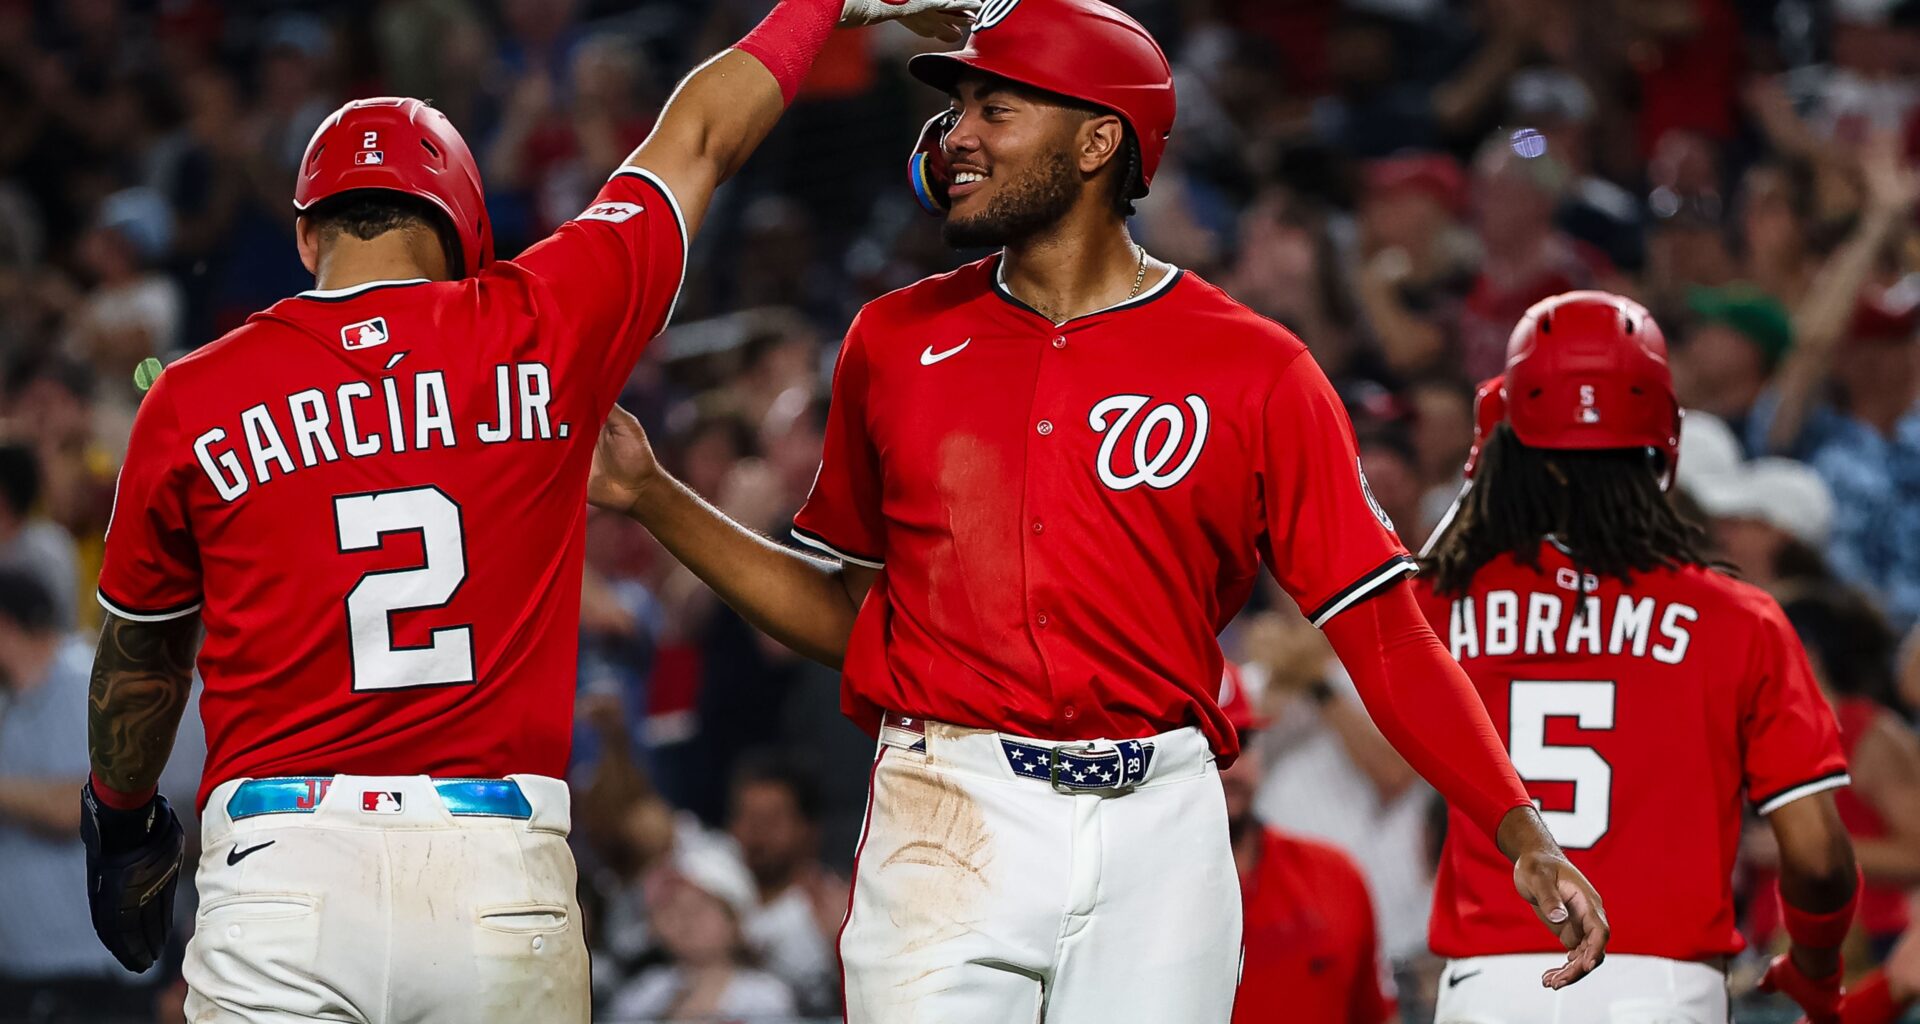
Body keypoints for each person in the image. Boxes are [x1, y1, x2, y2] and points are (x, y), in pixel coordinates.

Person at [586, 2, 1608, 1019]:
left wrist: (1517, 825)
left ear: (1097, 139)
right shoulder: (890, 341)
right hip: (949, 806)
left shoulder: (1256, 364)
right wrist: (653, 497)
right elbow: (856, 620)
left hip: (1161, 822)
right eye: (958, 113)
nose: (958, 140)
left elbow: (1382, 630)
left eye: (996, 110)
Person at [76, 1, 978, 1021]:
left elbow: (143, 656)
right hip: (496, 869)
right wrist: (817, 5)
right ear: (465, 228)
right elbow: (698, 138)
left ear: (305, 234)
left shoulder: (192, 394)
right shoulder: (542, 318)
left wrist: (120, 816)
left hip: (286, 870)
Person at [1417, 291, 1861, 1024]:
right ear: (1665, 433)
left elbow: (1382, 614)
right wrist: (1815, 963)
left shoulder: (1446, 602)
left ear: (1508, 436)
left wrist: (1481, 468)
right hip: (1662, 990)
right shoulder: (1738, 616)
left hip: (1488, 986)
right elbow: (1816, 858)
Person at [0, 569, 153, 1021]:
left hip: (91, 973)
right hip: (25, 966)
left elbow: (84, 805)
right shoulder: (11, 695)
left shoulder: (83, 680)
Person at [1221, 661, 1395, 1024]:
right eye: (1211, 749)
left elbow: (1376, 1016)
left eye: (1244, 742)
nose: (1232, 766)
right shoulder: (1138, 890)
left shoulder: (1335, 876)